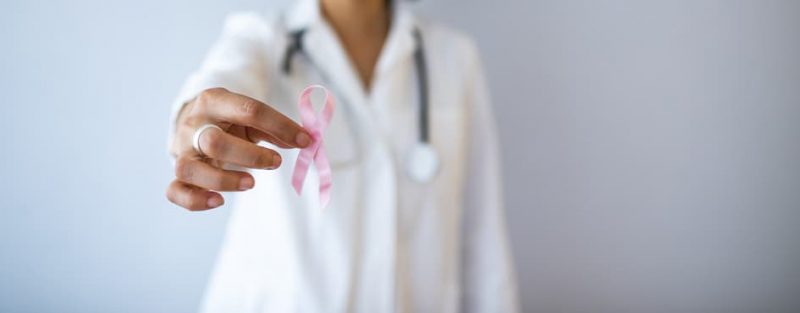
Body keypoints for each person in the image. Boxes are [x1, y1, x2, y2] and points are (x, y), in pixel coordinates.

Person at [166, 0, 519, 311]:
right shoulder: (259, 39)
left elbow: (483, 239)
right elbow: (218, 85)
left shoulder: (454, 57)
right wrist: (196, 126)